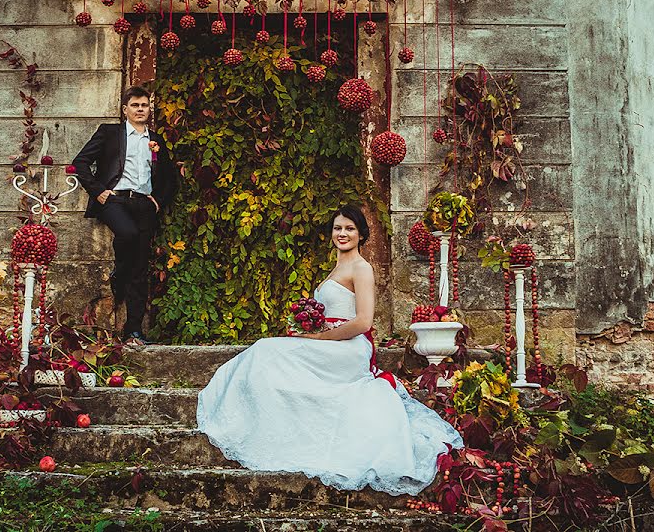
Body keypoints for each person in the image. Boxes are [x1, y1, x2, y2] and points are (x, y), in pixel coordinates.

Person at [196, 205, 463, 495]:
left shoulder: (361, 268)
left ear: (361, 235)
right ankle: (268, 425)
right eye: (338, 228)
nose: (343, 233)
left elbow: (363, 321)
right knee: (266, 351)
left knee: (265, 350)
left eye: (349, 228)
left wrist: (321, 338)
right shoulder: (337, 268)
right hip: (330, 341)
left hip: (348, 348)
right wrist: (307, 330)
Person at [72, 86, 176, 344]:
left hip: (144, 205)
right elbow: (80, 162)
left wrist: (157, 201)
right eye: (135, 105)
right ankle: (119, 273)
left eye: (145, 105)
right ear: (125, 110)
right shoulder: (110, 133)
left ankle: (134, 331)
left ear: (149, 109)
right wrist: (98, 191)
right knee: (126, 234)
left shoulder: (156, 139)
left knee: (140, 271)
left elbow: (170, 178)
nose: (140, 109)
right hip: (115, 201)